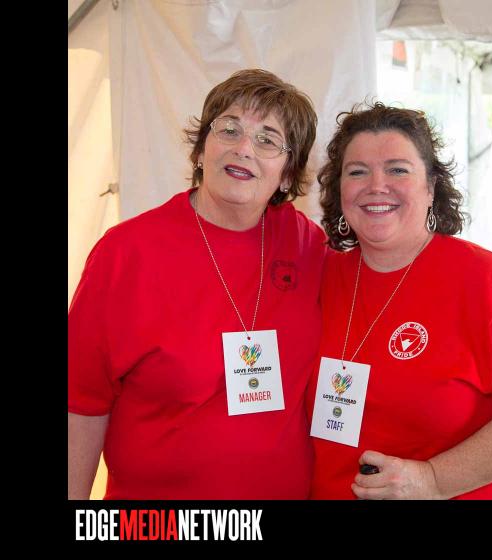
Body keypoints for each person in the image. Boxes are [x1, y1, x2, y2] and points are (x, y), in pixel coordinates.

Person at [68, 69, 328, 499]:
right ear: (201, 149)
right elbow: (80, 401)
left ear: (287, 175)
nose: (243, 148)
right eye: (229, 129)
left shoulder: (308, 245)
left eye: (267, 139)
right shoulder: (127, 252)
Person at [308, 102, 492, 499]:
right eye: (357, 171)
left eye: (397, 170)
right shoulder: (321, 277)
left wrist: (433, 479)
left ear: (431, 187)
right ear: (339, 189)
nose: (376, 185)